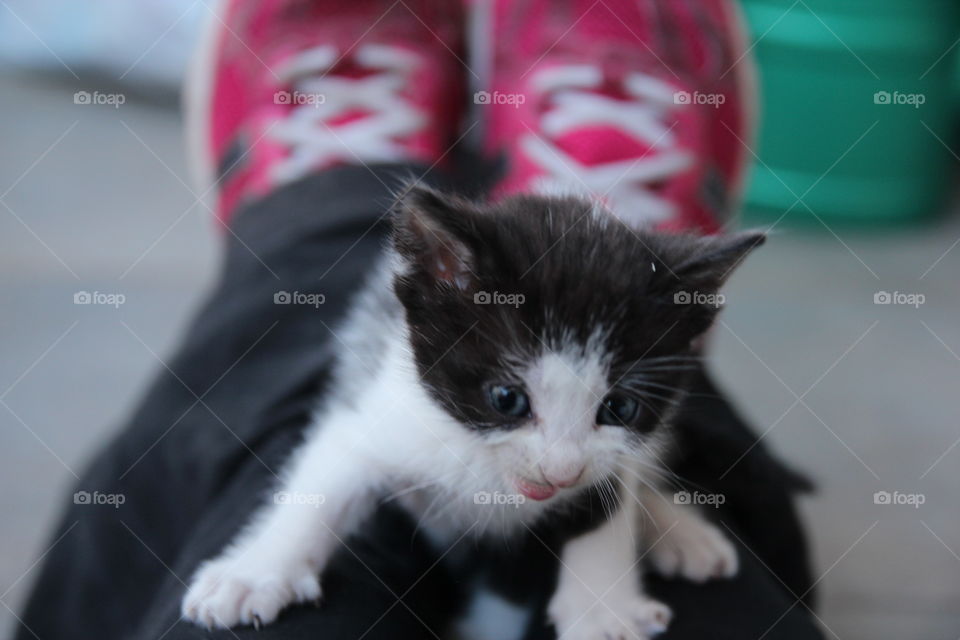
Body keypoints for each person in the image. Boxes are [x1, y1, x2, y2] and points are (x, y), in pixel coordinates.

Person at [15, 1, 823, 638]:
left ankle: (321, 199)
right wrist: (280, 558)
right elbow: (353, 453)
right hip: (437, 386)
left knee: (272, 324)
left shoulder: (573, 434)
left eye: (616, 408)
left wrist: (603, 581)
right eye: (513, 400)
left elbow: (595, 478)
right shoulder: (440, 342)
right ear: (433, 294)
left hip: (555, 317)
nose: (563, 461)